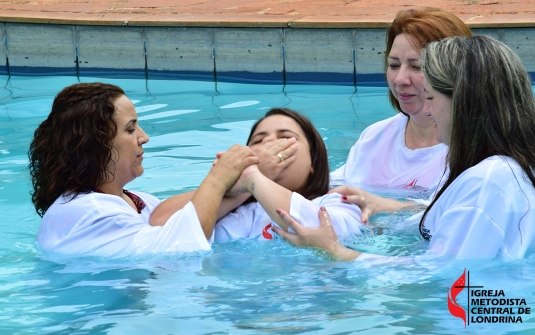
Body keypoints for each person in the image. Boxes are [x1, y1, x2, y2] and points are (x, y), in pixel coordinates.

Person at [275, 36, 535, 261]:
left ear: (464, 103)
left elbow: (442, 275)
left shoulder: (488, 180)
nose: (427, 109)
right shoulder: (492, 171)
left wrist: (334, 251)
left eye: (431, 97)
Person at [31, 82, 259, 257]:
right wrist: (218, 179)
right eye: (130, 130)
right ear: (96, 145)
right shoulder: (85, 212)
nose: (144, 137)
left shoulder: (138, 201)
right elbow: (181, 248)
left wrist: (245, 183)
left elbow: (180, 217)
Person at [330, 8, 472, 195]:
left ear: (454, 72)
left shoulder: (472, 153)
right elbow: (332, 189)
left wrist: (380, 206)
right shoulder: (374, 137)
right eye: (394, 65)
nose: (400, 79)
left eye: (416, 67)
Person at [213, 108, 364, 242]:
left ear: (313, 161)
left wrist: (252, 175)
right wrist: (220, 185)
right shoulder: (233, 212)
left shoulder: (336, 202)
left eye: (285, 137)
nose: (268, 141)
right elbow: (193, 229)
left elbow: (331, 233)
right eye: (258, 140)